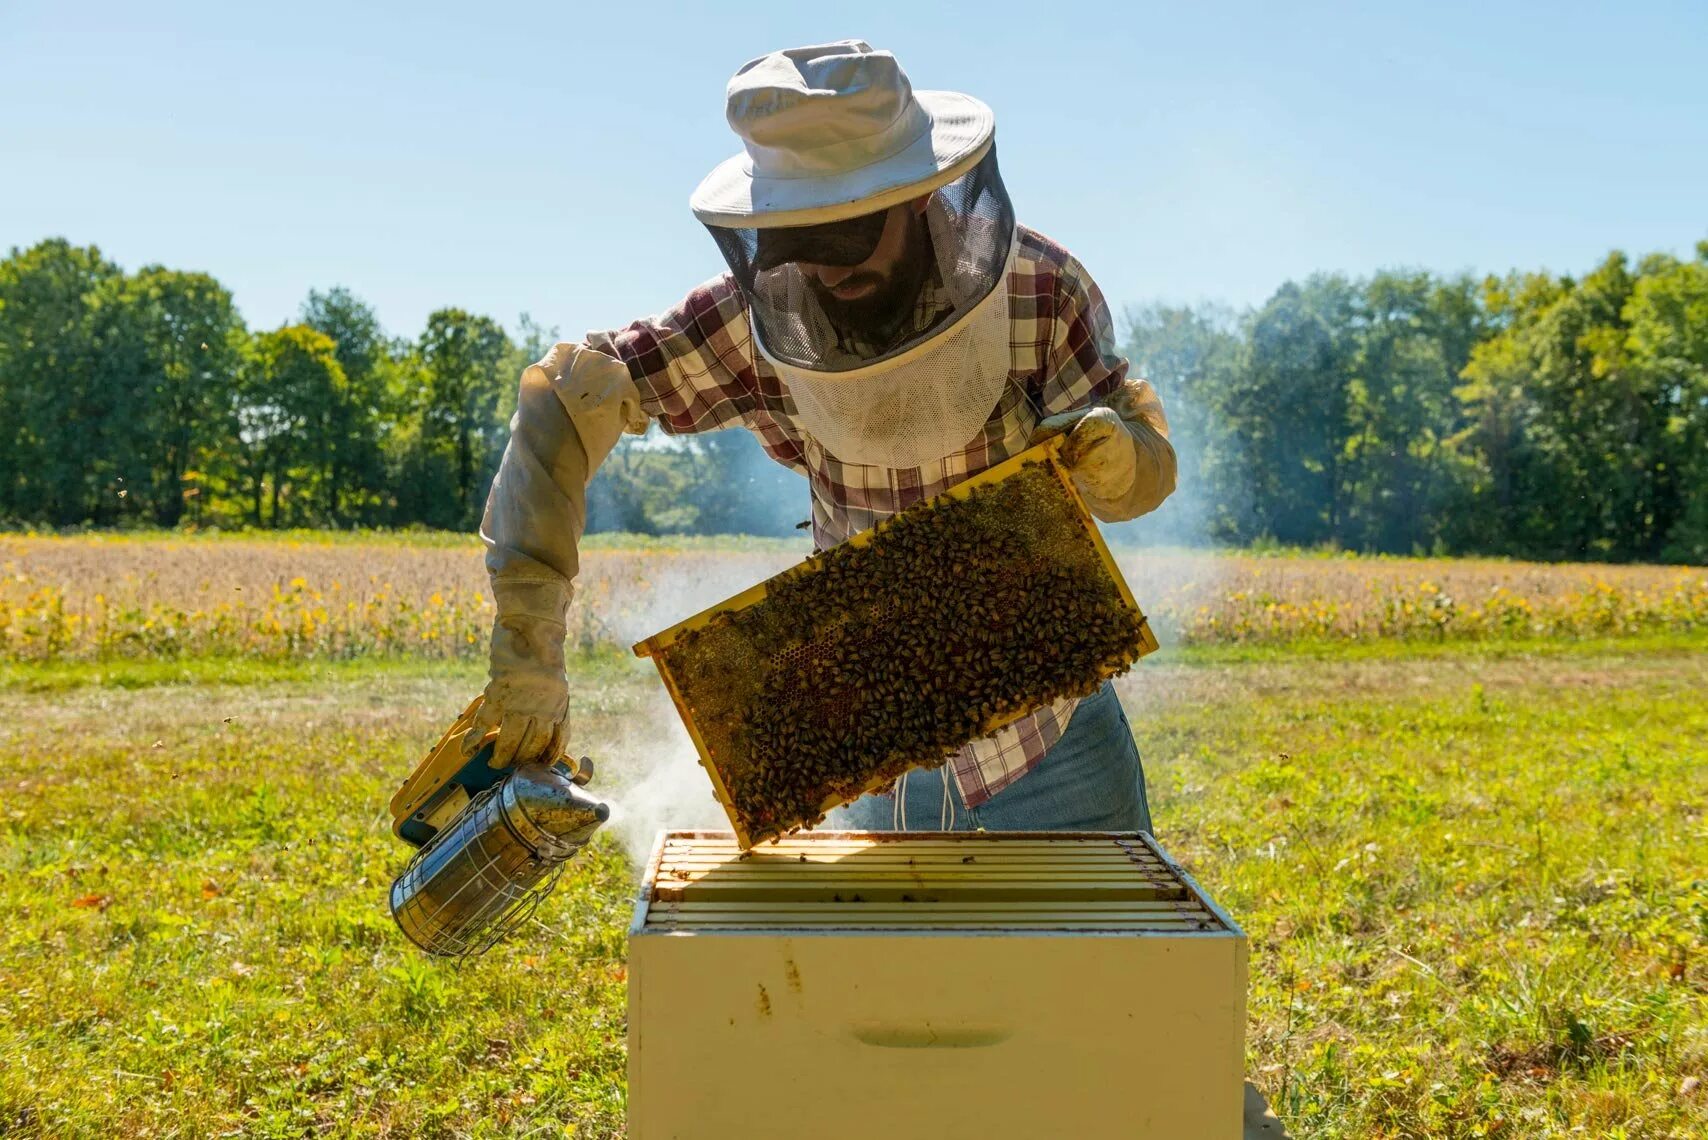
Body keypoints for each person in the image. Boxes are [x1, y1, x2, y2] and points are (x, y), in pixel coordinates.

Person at [472, 40, 1177, 835]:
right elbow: (572, 399)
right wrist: (528, 642)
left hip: (1053, 739)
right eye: (796, 242)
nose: (825, 270)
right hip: (874, 737)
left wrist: (1118, 461)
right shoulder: (750, 318)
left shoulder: (1043, 289)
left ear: (918, 197)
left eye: (847, 236)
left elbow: (1145, 470)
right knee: (883, 963)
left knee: (1105, 956)